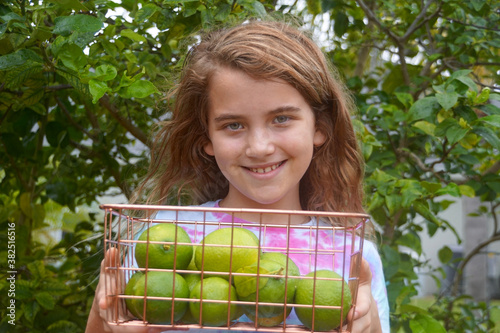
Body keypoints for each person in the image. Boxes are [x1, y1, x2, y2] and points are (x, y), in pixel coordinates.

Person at [85, 19, 390, 333]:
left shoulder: (351, 257)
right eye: (233, 125)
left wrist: (371, 327)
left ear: (320, 127)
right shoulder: (167, 235)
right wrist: (102, 318)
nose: (259, 147)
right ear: (207, 139)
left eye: (281, 118)